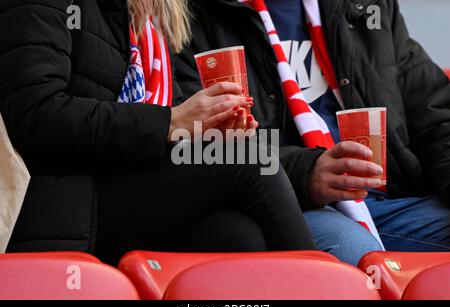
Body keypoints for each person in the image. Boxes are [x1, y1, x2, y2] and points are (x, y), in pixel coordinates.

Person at [0, 0, 317, 265]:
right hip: (63, 203)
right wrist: (171, 123)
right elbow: (35, 115)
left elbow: (173, 128)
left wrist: (207, 133)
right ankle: (321, 288)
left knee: (235, 235)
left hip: (126, 188)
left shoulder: (150, 18)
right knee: (252, 161)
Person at [175, 0, 450, 265]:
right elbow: (192, 148)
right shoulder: (189, 13)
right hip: (289, 206)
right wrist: (306, 174)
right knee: (353, 251)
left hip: (390, 200)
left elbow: (436, 116)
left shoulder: (367, 5)